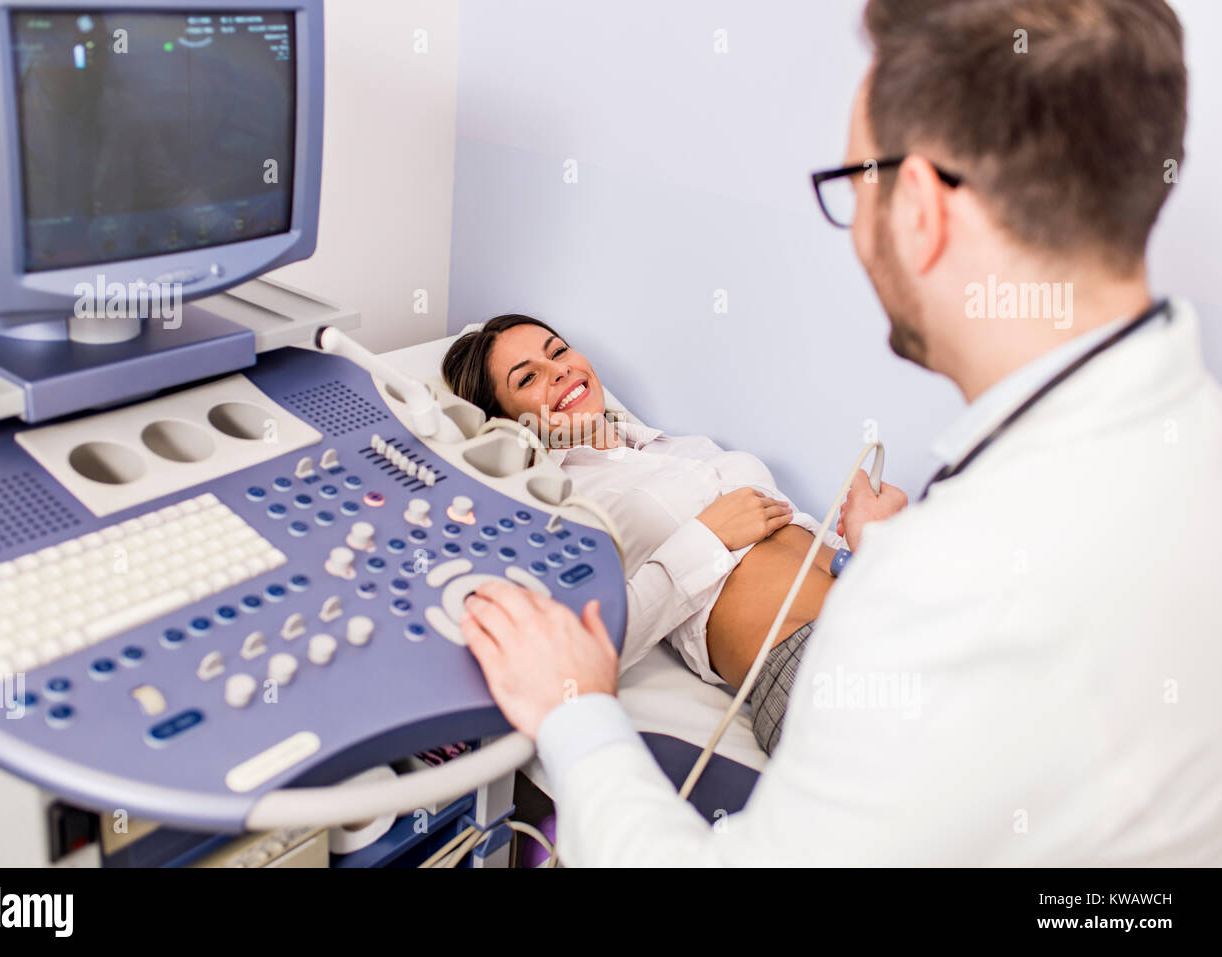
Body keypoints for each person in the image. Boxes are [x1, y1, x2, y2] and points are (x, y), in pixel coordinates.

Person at [457, 0, 1222, 865]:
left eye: (854, 185)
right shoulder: (1176, 442)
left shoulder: (931, 603)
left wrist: (574, 715)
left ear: (923, 210)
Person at [443, 314, 895, 754]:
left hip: (883, 605)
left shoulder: (684, 447)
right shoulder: (560, 507)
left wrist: (870, 540)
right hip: (806, 658)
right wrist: (708, 537)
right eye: (527, 378)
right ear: (505, 424)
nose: (558, 370)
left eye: (558, 351)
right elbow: (590, 647)